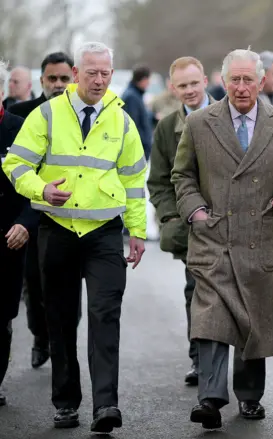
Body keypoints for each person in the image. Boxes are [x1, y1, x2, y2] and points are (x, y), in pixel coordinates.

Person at [171, 48, 273, 430]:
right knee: (210, 318)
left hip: (261, 236)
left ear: (261, 82)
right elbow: (182, 175)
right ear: (223, 82)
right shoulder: (200, 123)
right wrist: (196, 211)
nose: (241, 87)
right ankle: (210, 398)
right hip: (213, 235)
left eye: (248, 80)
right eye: (234, 80)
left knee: (253, 319)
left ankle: (250, 396)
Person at [2, 41, 147, 433]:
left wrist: (137, 230)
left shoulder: (121, 120)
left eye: (105, 73)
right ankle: (66, 403)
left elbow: (134, 180)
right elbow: (16, 163)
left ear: (111, 76)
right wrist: (41, 190)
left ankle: (106, 406)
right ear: (77, 74)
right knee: (61, 319)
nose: (98, 80)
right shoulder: (47, 115)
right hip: (58, 230)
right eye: (91, 72)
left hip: (104, 233)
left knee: (105, 315)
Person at [7, 51, 78, 369]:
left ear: (73, 78)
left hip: (73, 216)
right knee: (34, 283)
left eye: (65, 78)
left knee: (68, 286)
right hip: (33, 212)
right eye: (53, 78)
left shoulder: (86, 114)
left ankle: (63, 340)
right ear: (42, 81)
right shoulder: (22, 114)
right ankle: (39, 337)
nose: (59, 84)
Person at [148, 56, 214, 386]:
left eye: (194, 83)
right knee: (197, 292)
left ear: (205, 81)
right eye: (182, 85)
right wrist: (171, 218)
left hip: (230, 224)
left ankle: (240, 363)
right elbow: (158, 181)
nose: (189, 90)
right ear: (173, 88)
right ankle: (200, 360)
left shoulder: (231, 116)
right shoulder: (165, 128)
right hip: (192, 227)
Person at [0, 59, 40, 407]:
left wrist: (26, 224)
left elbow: (38, 187)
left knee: (2, 317)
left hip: (9, 238)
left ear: (2, 91)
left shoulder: (19, 129)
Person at [121, 64, 153, 160]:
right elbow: (133, 125)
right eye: (148, 79)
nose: (149, 83)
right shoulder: (131, 97)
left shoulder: (136, 95)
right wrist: (145, 144)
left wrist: (153, 117)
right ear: (142, 79)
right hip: (137, 151)